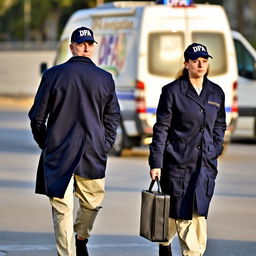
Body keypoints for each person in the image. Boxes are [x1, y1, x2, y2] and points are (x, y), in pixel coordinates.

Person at [28, 26, 120, 256]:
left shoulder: (53, 75)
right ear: (72, 48)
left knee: (87, 205)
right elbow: (113, 118)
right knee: (69, 208)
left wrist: (47, 143)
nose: (86, 47)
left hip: (61, 152)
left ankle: (80, 237)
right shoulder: (104, 78)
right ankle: (74, 246)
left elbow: (37, 117)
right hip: (88, 152)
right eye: (82, 43)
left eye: (89, 43)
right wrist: (104, 143)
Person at [149, 43, 226, 256]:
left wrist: (215, 147)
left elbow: (220, 123)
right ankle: (179, 248)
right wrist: (156, 163)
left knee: (196, 212)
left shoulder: (216, 92)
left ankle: (166, 241)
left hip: (205, 165)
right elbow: (161, 128)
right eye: (195, 60)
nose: (201, 64)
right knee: (182, 212)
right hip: (177, 163)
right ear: (186, 64)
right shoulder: (172, 91)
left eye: (204, 60)